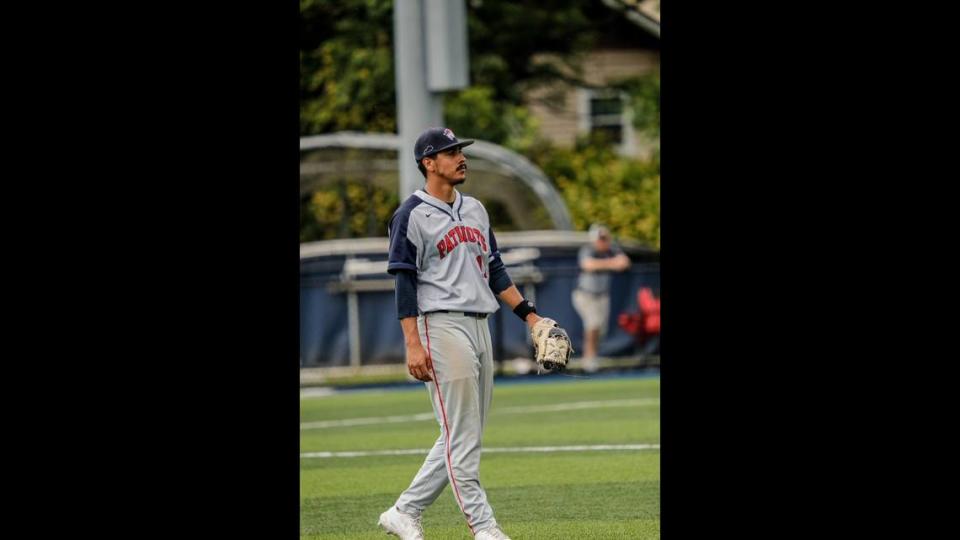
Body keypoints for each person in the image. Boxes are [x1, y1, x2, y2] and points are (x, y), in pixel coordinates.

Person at [378, 127, 552, 540]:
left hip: (479, 325)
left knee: (464, 433)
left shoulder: (475, 209)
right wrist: (413, 343)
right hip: (439, 325)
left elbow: (494, 271)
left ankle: (404, 510)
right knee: (464, 436)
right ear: (428, 163)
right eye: (450, 152)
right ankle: (485, 528)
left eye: (460, 151)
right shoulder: (411, 214)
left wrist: (531, 317)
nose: (460, 157)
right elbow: (403, 282)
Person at [572, 223, 631, 372]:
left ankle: (592, 357)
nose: (603, 242)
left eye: (605, 238)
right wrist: (611, 264)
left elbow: (625, 262)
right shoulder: (588, 249)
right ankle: (588, 359)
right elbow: (587, 265)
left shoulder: (611, 250)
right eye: (601, 239)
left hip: (602, 296)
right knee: (593, 325)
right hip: (585, 295)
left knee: (600, 329)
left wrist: (610, 262)